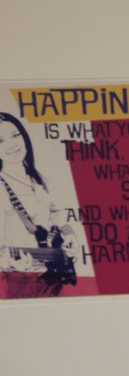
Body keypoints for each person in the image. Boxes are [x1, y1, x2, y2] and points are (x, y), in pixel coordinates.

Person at [0, 112, 79, 297]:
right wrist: (10, 263)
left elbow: (54, 212)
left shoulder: (36, 177)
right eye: (0, 140)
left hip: (54, 274)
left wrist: (69, 234)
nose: (12, 145)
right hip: (23, 282)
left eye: (15, 135)